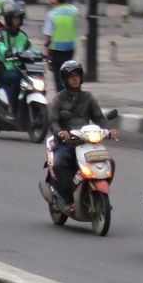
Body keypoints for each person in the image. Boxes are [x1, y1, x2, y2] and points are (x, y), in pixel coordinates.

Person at [49, 60, 116, 207]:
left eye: (77, 75)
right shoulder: (58, 100)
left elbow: (99, 118)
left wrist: (108, 130)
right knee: (59, 164)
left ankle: (99, 192)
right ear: (65, 79)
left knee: (109, 163)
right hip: (66, 145)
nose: (75, 78)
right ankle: (67, 199)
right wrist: (60, 132)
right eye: (71, 76)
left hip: (86, 143)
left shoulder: (88, 98)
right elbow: (53, 122)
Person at [0, 3, 31, 114]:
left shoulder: (22, 35)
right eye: (15, 18)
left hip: (20, 68)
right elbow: (0, 46)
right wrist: (6, 52)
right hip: (4, 69)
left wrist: (39, 54)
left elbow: (29, 47)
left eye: (19, 18)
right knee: (16, 78)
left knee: (34, 77)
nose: (17, 21)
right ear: (9, 19)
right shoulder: (1, 33)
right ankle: (11, 106)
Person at [43, 0, 79, 92]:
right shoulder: (73, 11)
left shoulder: (51, 14)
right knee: (68, 74)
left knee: (59, 79)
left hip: (56, 50)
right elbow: (75, 9)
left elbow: (48, 35)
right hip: (70, 48)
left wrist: (47, 53)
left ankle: (62, 100)